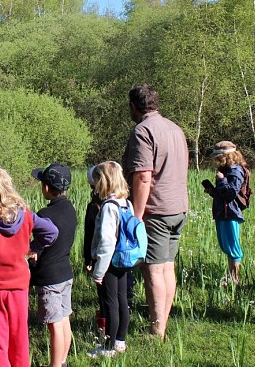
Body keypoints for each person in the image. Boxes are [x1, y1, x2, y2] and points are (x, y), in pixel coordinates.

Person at [122, 84, 189, 339]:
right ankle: (163, 321)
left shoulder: (143, 130)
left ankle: (156, 329)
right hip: (179, 207)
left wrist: (137, 216)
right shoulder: (175, 128)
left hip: (156, 209)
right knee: (167, 266)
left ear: (133, 106)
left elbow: (142, 176)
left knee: (153, 269)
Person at [0, 166, 58, 367]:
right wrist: (33, 248)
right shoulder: (26, 216)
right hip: (19, 285)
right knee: (19, 338)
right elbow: (52, 232)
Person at [29, 163, 77, 367]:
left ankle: (55, 365)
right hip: (65, 272)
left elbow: (37, 245)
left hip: (50, 277)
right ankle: (63, 361)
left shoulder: (45, 215)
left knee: (54, 324)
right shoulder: (71, 209)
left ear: (47, 188)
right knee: (64, 318)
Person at [89, 161, 133, 358]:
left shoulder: (108, 206)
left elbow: (107, 241)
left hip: (110, 261)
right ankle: (120, 341)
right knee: (122, 299)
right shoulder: (126, 203)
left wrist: (99, 271)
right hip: (124, 258)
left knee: (110, 303)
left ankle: (108, 347)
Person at [204, 141, 246, 284]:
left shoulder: (235, 171)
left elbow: (230, 194)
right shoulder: (227, 170)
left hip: (231, 214)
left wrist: (221, 181)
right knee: (226, 246)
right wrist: (213, 191)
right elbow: (223, 195)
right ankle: (231, 276)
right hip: (223, 213)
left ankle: (235, 279)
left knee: (233, 247)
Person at [82, 165, 106, 336]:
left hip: (99, 256)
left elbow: (90, 234)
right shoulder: (122, 202)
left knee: (104, 294)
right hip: (119, 258)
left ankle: (105, 326)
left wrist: (88, 259)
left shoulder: (94, 207)